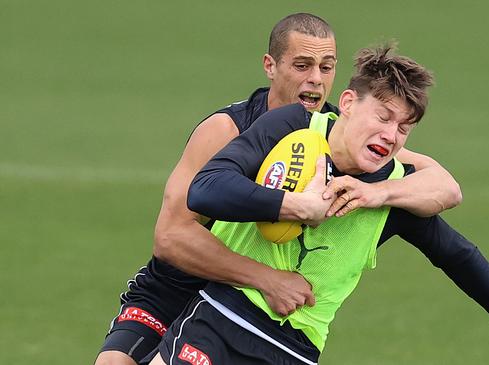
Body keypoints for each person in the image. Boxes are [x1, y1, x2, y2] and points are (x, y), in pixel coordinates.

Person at [149, 45, 489, 365]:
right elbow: (206, 190)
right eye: (383, 116)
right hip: (219, 317)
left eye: (404, 128)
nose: (391, 135)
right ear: (347, 103)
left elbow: (459, 255)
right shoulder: (292, 128)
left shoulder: (393, 193)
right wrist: (293, 205)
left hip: (294, 351)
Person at [95, 13, 462, 365]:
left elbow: (436, 178)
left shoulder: (340, 133)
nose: (316, 80)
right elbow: (171, 238)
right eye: (302, 66)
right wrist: (267, 278)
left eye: (327, 67)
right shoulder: (227, 131)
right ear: (270, 66)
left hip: (240, 308)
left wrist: (382, 193)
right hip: (176, 288)